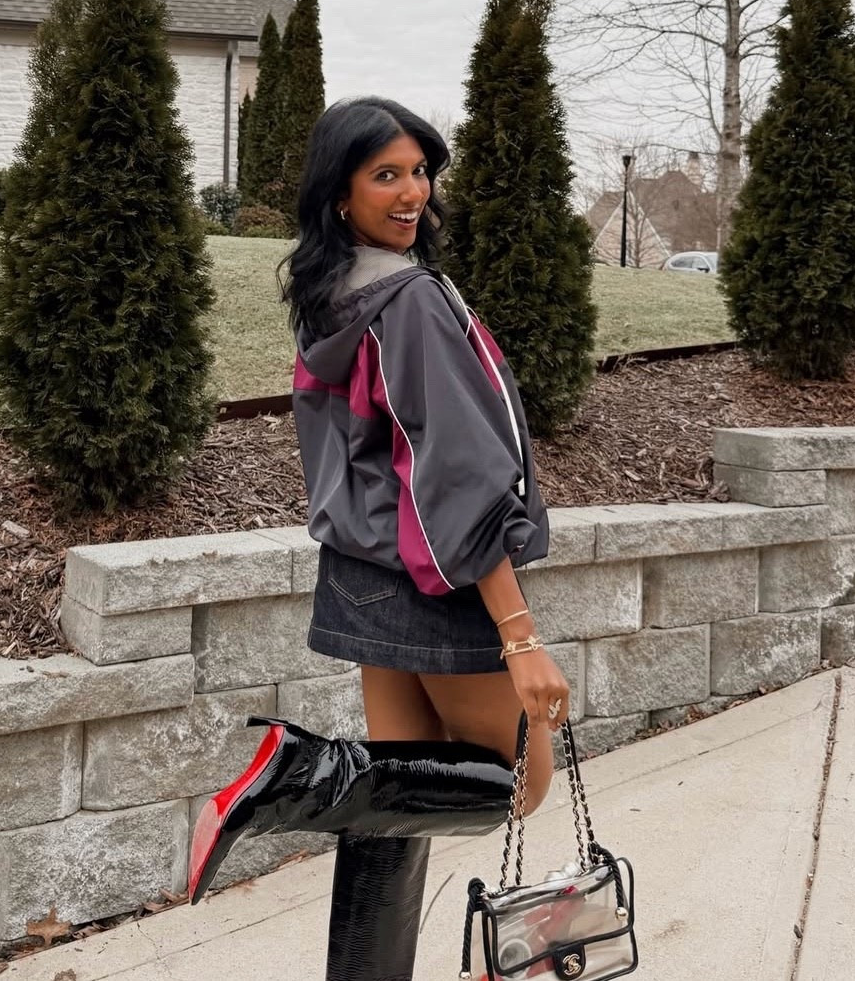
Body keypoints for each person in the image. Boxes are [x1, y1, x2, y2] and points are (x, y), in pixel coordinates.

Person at [187, 96, 571, 980]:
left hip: (362, 571)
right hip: (437, 579)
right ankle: (293, 780)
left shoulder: (327, 294)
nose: (412, 193)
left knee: (391, 807)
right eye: (384, 175)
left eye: (419, 171)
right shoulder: (410, 302)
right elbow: (456, 473)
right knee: (519, 783)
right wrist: (519, 636)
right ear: (340, 194)